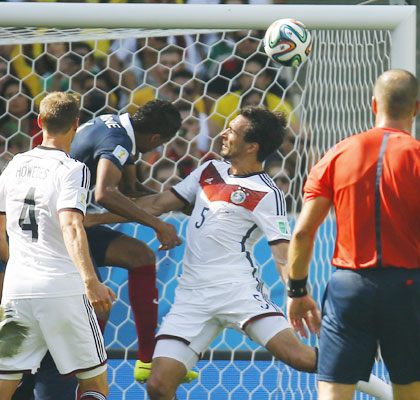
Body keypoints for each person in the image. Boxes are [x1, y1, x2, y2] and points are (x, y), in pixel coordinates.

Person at [88, 105, 393, 400]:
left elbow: (283, 253)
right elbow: (155, 204)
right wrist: (94, 218)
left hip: (238, 292)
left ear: (252, 147)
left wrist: (295, 293)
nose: (223, 134)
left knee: (298, 357)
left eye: (232, 131)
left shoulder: (267, 193)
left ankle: (389, 391)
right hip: (191, 297)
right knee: (158, 385)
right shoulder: (209, 171)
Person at [287, 69, 420, 400]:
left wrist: (297, 289)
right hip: (408, 288)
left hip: (350, 288)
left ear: (373, 104)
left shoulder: (337, 153)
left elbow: (303, 232)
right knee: (409, 389)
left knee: (333, 392)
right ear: (416, 108)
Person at [0, 91, 116, 400]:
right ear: (76, 124)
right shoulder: (72, 170)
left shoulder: (13, 166)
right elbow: (71, 224)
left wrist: (20, 269)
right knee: (94, 384)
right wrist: (91, 282)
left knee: (4, 385)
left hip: (16, 293)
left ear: (39, 122)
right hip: (62, 292)